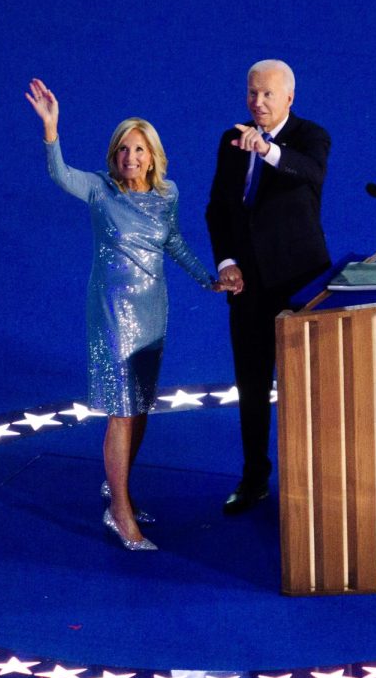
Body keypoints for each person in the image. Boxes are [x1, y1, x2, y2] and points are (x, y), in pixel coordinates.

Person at [25, 78, 225, 550]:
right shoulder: (99, 190)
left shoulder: (167, 194)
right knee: (121, 411)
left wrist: (208, 279)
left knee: (141, 410)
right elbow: (60, 176)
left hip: (153, 310)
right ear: (113, 156)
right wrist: (52, 130)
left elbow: (173, 241)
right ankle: (118, 511)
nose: (130, 158)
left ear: (153, 156)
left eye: (138, 150)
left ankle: (122, 491)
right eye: (122, 150)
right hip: (113, 312)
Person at [205, 60, 332, 515]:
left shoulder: (311, 136)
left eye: (268, 95)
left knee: (306, 388)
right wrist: (227, 261)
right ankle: (254, 478)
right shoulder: (231, 139)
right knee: (253, 385)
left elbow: (309, 173)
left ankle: (310, 482)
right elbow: (219, 208)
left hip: (301, 284)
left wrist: (267, 151)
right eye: (252, 93)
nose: (258, 102)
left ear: (289, 98)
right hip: (248, 288)